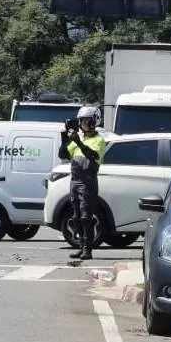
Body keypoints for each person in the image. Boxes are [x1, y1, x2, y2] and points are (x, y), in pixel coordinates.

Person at [57, 105, 107, 261]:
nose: (83, 124)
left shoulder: (98, 140)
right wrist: (65, 137)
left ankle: (88, 249)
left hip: (88, 181)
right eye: (81, 121)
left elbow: (91, 155)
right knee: (76, 216)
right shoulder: (80, 138)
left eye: (86, 121)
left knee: (86, 216)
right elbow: (63, 154)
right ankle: (81, 246)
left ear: (94, 122)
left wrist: (77, 141)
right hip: (75, 180)